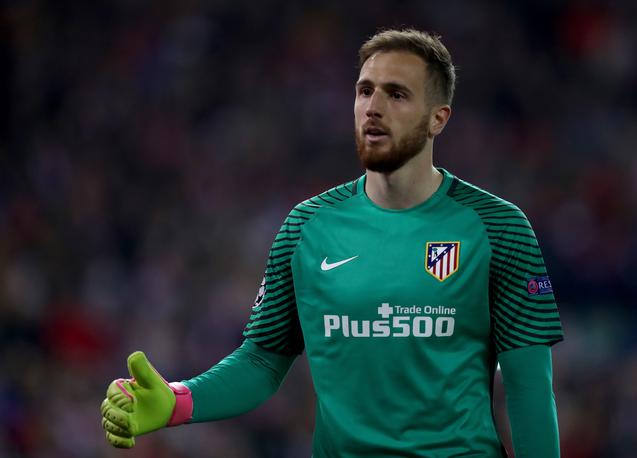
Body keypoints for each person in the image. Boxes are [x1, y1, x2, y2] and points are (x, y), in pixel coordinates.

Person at [101, 28, 564, 457]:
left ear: (438, 119)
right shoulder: (307, 226)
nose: (373, 107)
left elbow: (528, 389)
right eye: (365, 91)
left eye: (397, 94)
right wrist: (179, 401)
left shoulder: (498, 228)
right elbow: (263, 360)